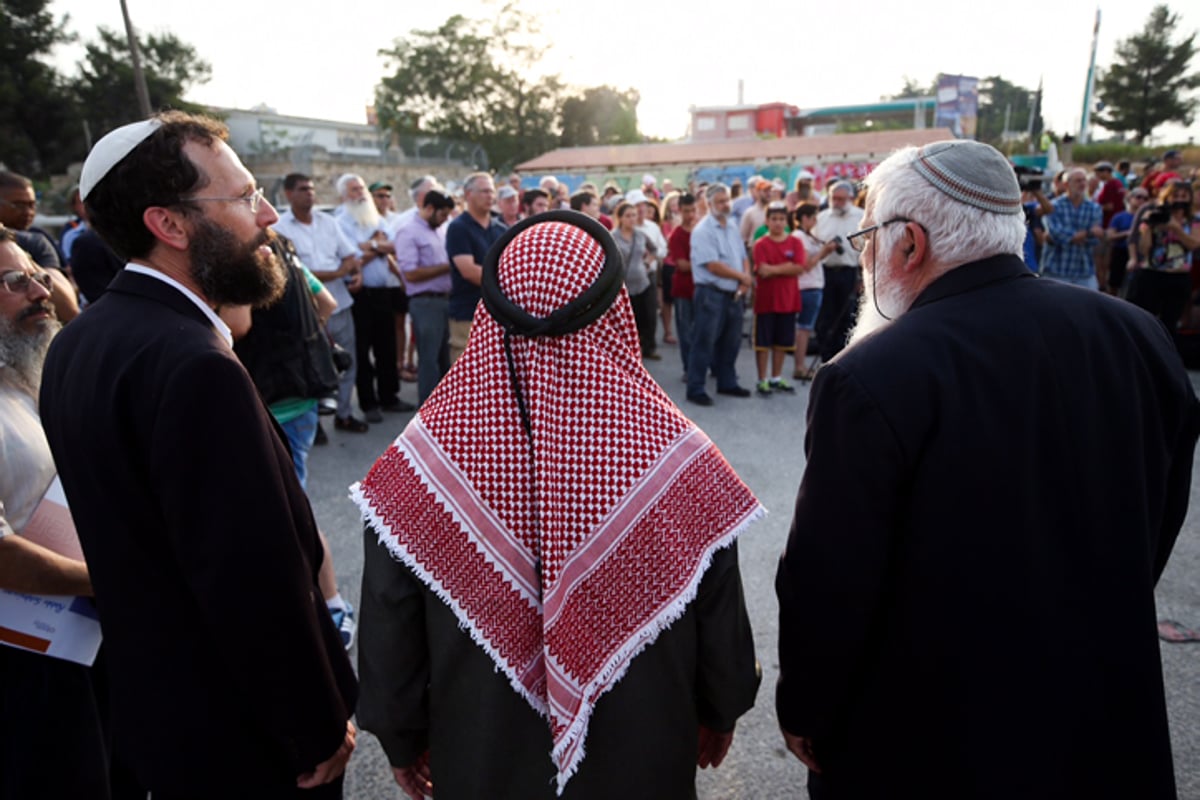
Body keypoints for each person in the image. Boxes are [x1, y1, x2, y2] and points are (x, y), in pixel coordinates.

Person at [775, 139, 1200, 800]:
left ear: (909, 244)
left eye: (868, 240)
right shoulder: (1137, 333)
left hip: (933, 736)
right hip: (1100, 705)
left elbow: (831, 578)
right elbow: (1161, 510)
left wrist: (806, 708)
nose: (865, 259)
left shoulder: (871, 374)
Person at [355, 211, 762, 799]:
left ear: (493, 310)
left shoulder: (423, 461)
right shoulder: (678, 457)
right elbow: (721, 617)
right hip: (643, 759)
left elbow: (390, 619)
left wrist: (401, 737)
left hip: (482, 760)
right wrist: (720, 709)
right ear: (613, 306)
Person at [39, 112, 358, 798]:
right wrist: (317, 726)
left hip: (166, 719)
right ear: (171, 225)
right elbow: (250, 578)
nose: (268, 214)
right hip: (248, 737)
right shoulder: (191, 362)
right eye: (244, 198)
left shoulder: (80, 339)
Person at [0, 227, 110, 800]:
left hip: (83, 638)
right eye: (15, 281)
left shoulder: (28, 374)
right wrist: (110, 580)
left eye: (39, 275)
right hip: (23, 659)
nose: (40, 291)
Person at [274, 173, 369, 434]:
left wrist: (348, 270)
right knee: (311, 364)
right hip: (304, 312)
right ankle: (314, 422)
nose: (310, 194)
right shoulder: (280, 229)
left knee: (346, 361)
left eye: (312, 189)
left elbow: (351, 256)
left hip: (340, 305)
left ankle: (344, 413)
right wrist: (337, 272)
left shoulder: (329, 222)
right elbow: (295, 272)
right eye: (304, 189)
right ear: (289, 193)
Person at [686, 183, 753, 406]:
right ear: (710, 204)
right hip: (711, 293)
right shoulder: (703, 230)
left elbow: (743, 255)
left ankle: (727, 382)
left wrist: (745, 278)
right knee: (704, 341)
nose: (725, 204)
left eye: (727, 200)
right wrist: (742, 278)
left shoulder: (732, 225)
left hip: (733, 292)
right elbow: (713, 266)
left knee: (731, 341)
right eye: (720, 202)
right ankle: (696, 387)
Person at [393, 188, 456, 403]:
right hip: (425, 302)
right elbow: (410, 273)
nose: (445, 219)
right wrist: (448, 267)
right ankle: (428, 410)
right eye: (442, 214)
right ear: (429, 208)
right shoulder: (408, 232)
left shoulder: (441, 229)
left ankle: (446, 407)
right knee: (429, 359)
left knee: (445, 358)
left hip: (446, 300)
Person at [445, 173, 505, 364]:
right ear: (468, 194)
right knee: (467, 371)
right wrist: (505, 281)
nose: (490, 196)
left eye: (492, 191)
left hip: (498, 313)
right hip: (467, 313)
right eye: (484, 191)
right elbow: (469, 271)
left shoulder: (501, 229)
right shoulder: (459, 228)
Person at [1128, 179, 1199, 331]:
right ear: (1167, 197)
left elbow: (1194, 244)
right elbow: (1144, 250)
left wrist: (1176, 229)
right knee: (1144, 321)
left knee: (1170, 324)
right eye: (1175, 196)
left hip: (1178, 277)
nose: (1179, 200)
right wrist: (1147, 228)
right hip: (1151, 274)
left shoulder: (1194, 220)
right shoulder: (1155, 215)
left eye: (1183, 196)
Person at [750, 202, 803, 394]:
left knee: (782, 341)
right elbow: (762, 270)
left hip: (788, 300)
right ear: (767, 221)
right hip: (766, 300)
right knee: (763, 342)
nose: (778, 223)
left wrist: (774, 269)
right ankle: (762, 379)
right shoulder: (761, 244)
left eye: (781, 219)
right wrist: (786, 268)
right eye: (774, 219)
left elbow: (799, 267)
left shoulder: (795, 242)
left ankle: (776, 377)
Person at [811, 181, 864, 364]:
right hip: (825, 272)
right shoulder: (822, 217)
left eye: (841, 199)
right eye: (834, 198)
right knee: (824, 317)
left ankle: (843, 359)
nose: (837, 202)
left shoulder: (860, 216)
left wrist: (863, 277)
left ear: (850, 198)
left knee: (847, 317)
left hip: (850, 272)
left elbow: (867, 247)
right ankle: (826, 358)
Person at [790, 203, 838, 381]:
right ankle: (800, 367)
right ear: (804, 218)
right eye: (813, 217)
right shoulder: (799, 237)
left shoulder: (808, 236)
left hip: (813, 285)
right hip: (807, 286)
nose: (816, 221)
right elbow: (805, 265)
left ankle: (800, 365)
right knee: (804, 329)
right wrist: (823, 252)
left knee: (805, 328)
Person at [1040, 167, 1104, 289]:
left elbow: (1095, 239)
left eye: (1084, 180)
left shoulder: (1094, 208)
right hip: (1056, 271)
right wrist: (1088, 233)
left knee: (1088, 307)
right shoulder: (1053, 206)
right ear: (1066, 184)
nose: (1082, 184)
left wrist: (1070, 236)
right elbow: (1055, 235)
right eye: (1078, 181)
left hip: (1084, 272)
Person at [612, 200, 659, 360]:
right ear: (620, 218)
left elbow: (653, 249)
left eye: (634, 215)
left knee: (648, 317)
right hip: (624, 285)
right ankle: (630, 351)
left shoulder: (640, 235)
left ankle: (648, 347)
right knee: (630, 320)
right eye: (628, 216)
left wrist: (647, 262)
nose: (632, 219)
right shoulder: (613, 236)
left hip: (643, 281)